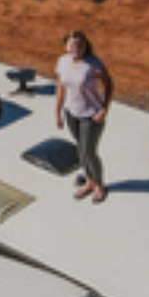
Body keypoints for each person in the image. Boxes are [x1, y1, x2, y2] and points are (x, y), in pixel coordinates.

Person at [54, 30, 113, 202]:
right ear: (66, 46)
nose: (76, 48)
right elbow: (61, 88)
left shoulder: (93, 63)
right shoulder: (63, 62)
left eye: (80, 45)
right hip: (71, 112)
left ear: (85, 46)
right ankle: (90, 181)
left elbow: (109, 84)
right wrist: (57, 113)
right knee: (81, 149)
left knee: (89, 152)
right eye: (72, 44)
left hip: (91, 114)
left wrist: (104, 109)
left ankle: (100, 185)